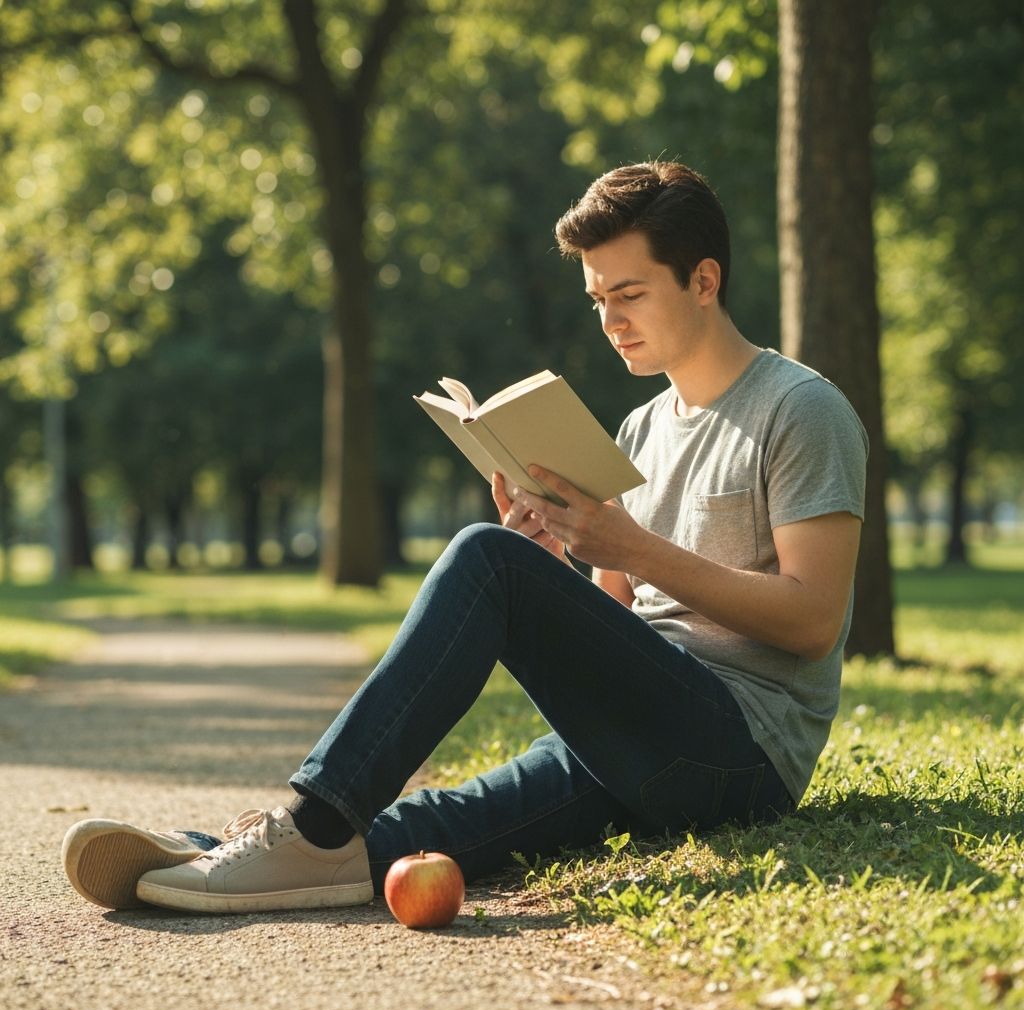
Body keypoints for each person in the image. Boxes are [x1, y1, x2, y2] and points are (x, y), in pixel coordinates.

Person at [62, 161, 867, 914]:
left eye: (628, 294)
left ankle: (306, 825)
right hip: (641, 732)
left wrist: (621, 551)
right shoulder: (643, 425)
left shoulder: (800, 409)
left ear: (703, 281)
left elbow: (813, 620)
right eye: (596, 301)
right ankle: (211, 858)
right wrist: (554, 563)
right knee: (441, 824)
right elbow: (624, 622)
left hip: (739, 753)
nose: (610, 322)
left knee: (484, 556)